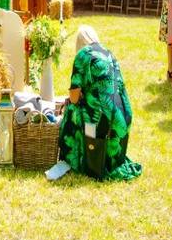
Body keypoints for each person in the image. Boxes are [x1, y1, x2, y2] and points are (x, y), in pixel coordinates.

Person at [55, 26, 142, 181]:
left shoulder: (82, 55)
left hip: (100, 122)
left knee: (72, 109)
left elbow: (74, 98)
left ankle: (79, 159)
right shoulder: (108, 53)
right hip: (123, 118)